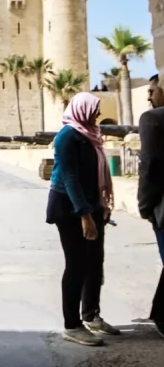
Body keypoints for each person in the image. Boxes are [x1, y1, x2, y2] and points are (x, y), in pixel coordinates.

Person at [46, 93, 119, 346]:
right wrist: (85, 216)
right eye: (94, 109)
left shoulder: (91, 135)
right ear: (81, 109)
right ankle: (72, 324)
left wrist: (100, 206)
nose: (97, 114)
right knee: (76, 264)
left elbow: (95, 173)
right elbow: (70, 177)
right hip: (69, 208)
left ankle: (90, 315)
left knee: (94, 262)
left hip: (91, 204)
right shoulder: (68, 136)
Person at [138, 83, 164, 337]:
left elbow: (151, 166)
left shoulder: (152, 119)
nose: (148, 96)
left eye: (152, 90)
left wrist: (144, 206)